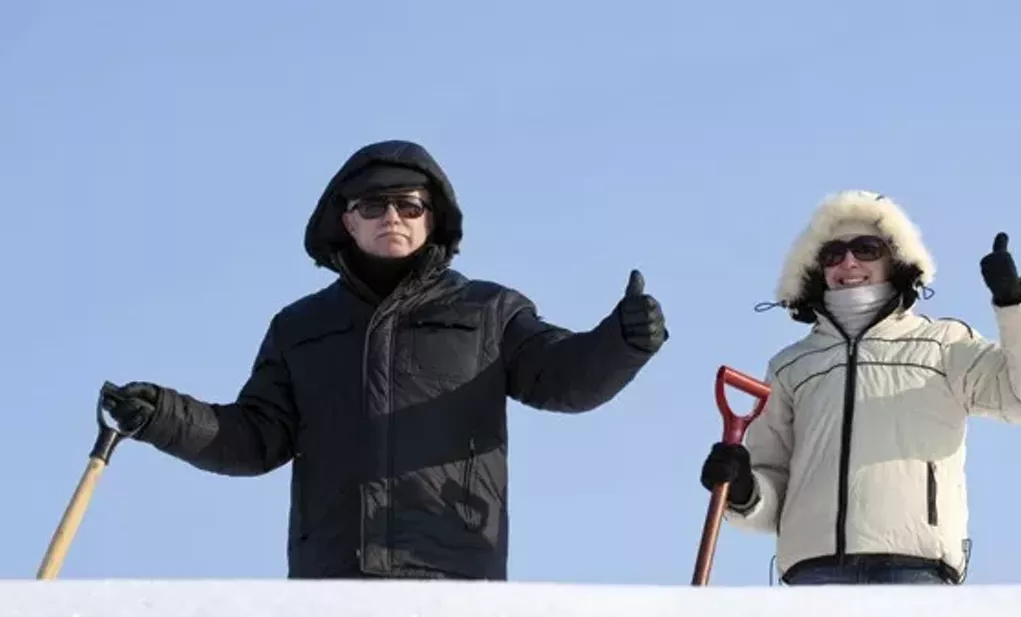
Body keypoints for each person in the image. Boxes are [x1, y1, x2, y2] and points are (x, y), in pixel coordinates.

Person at [102, 139, 667, 580]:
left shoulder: (488, 311)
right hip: (332, 577)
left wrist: (623, 340)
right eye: (373, 205)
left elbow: (565, 379)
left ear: (431, 218)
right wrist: (164, 416)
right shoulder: (300, 328)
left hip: (457, 570)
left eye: (408, 204)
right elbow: (253, 439)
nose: (391, 216)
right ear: (347, 219)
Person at [699, 190, 1021, 585]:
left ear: (895, 258)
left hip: (915, 567)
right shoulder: (791, 365)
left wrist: (1015, 303)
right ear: (815, 268)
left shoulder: (943, 344)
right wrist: (742, 489)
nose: (849, 262)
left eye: (866, 248)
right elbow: (771, 488)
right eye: (832, 254)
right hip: (813, 573)